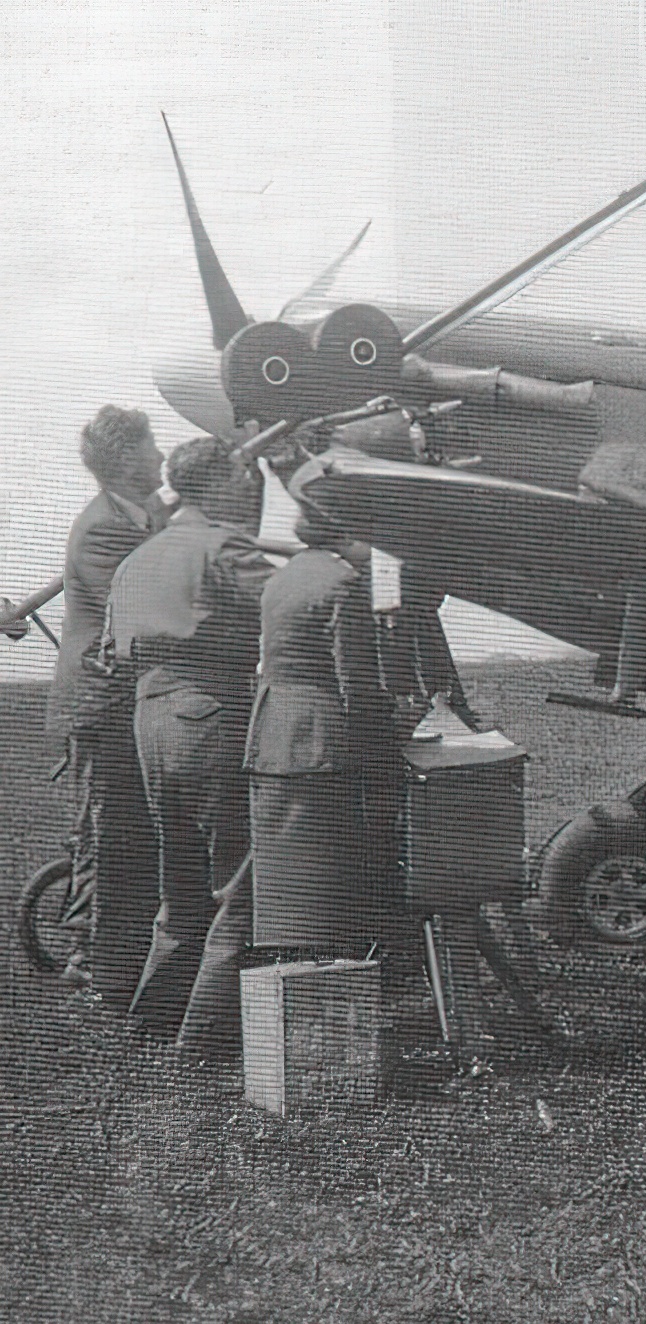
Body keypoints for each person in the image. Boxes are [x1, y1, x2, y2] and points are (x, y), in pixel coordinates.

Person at [106, 438, 274, 1057]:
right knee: (238, 882)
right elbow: (290, 609)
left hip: (148, 719)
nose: (250, 488)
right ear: (215, 485)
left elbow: (110, 652)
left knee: (179, 884)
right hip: (208, 711)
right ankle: (203, 1039)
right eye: (241, 476)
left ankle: (154, 1018)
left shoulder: (139, 558)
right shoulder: (223, 546)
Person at [43, 406, 167, 1001]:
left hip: (121, 699)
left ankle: (108, 949)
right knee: (108, 831)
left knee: (120, 828)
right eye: (152, 447)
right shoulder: (104, 529)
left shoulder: (142, 514)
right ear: (124, 460)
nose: (163, 456)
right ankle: (90, 958)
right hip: (104, 705)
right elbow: (139, 609)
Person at [246, 504, 399, 952]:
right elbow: (354, 677)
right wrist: (387, 731)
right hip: (318, 738)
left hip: (271, 730)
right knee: (330, 868)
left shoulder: (281, 579)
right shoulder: (343, 583)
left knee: (287, 874)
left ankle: (292, 957)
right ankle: (338, 963)